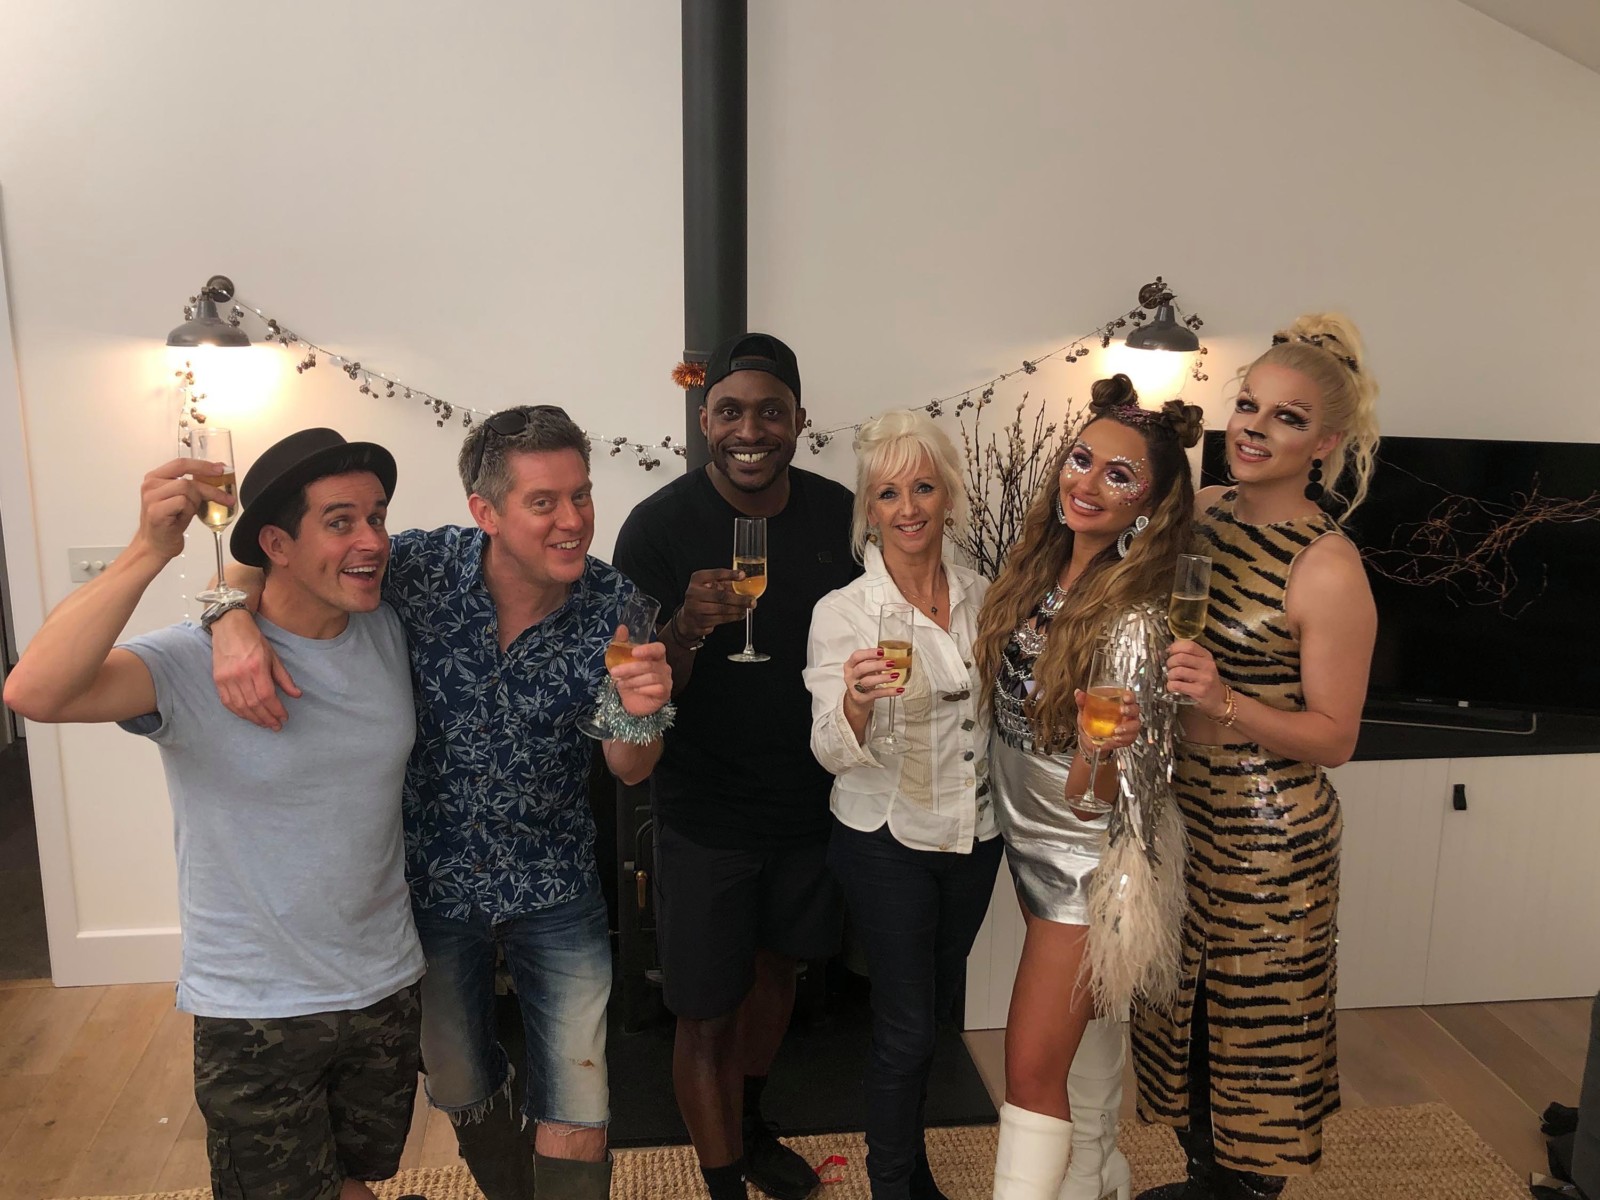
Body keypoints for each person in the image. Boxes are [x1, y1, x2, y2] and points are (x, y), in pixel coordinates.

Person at [210, 406, 674, 1200]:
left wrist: (643, 710)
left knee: (579, 1091)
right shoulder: (418, 567)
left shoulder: (617, 606)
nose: (573, 521)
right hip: (427, 889)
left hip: (554, 883)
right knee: (458, 1081)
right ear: (485, 512)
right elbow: (277, 554)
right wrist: (228, 620)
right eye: (544, 502)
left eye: (582, 495)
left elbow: (632, 771)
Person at [4, 431, 427, 1200]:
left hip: (384, 984)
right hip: (255, 1005)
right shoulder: (188, 664)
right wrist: (150, 550)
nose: (372, 541)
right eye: (340, 521)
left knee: (355, 1178)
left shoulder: (390, 629)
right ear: (278, 544)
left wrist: (224, 604)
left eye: (377, 517)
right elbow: (34, 691)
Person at [1132, 315, 1380, 1200]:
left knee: (1253, 1031)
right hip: (1183, 811)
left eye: (1287, 417)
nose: (1254, 428)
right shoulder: (1203, 514)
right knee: (1182, 1021)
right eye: (1248, 405)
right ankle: (1205, 1177)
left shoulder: (1327, 567)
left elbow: (1337, 737)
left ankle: (1244, 1188)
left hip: (1270, 835)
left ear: (1325, 444)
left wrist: (1224, 701)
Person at [613, 332, 859, 1200]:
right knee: (704, 1011)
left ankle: (748, 1127)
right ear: (703, 421)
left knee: (777, 973)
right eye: (729, 412)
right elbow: (635, 689)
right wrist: (685, 628)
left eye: (769, 412)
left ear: (799, 420)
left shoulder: (839, 515)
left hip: (811, 801)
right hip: (705, 808)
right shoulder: (657, 527)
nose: (749, 430)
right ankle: (721, 1186)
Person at [973, 376, 1201, 1200]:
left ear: (1151, 507)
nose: (1089, 482)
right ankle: (1096, 1170)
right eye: (1081, 459)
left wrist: (1101, 749)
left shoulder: (1132, 617)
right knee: (1089, 1021)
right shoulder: (1039, 570)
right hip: (1024, 831)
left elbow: (1102, 794)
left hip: (1080, 856)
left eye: (1119, 474)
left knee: (1030, 1068)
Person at [803, 410, 1002, 1200]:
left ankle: (912, 1171)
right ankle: (892, 1184)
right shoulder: (845, 612)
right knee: (907, 1026)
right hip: (886, 839)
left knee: (933, 1021)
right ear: (870, 509)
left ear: (947, 495)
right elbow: (828, 750)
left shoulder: (986, 595)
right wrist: (855, 702)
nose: (908, 508)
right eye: (888, 494)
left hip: (975, 837)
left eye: (922, 487)